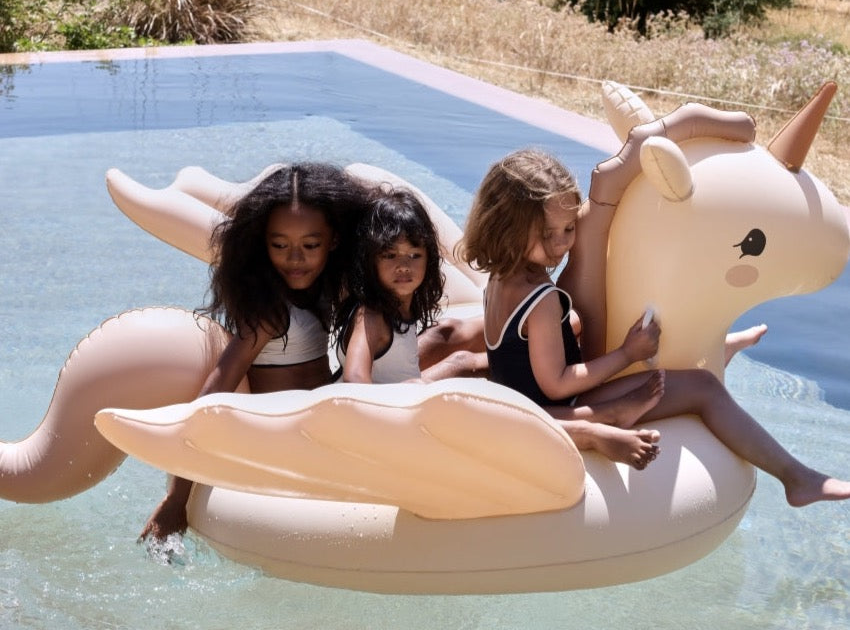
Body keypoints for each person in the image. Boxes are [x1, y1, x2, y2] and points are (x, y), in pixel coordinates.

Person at [460, 148, 850, 504]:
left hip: (528, 402)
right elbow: (557, 383)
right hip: (561, 408)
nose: (562, 244)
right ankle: (797, 478)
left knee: (581, 324)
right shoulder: (541, 299)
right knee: (703, 388)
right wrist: (627, 354)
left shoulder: (500, 280)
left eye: (568, 229)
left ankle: (719, 347)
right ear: (508, 228)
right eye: (548, 234)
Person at [140, 161, 372, 542]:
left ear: (334, 240)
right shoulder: (269, 311)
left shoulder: (327, 290)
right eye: (279, 246)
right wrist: (177, 497)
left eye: (310, 246)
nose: (295, 259)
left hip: (319, 433)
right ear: (262, 244)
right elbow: (214, 392)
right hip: (285, 443)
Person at [337, 186, 488, 382]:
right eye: (390, 256)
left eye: (414, 255)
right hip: (386, 407)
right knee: (465, 364)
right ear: (370, 260)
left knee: (453, 337)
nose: (403, 266)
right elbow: (354, 380)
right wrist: (408, 390)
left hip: (398, 391)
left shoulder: (399, 306)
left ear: (429, 260)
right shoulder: (371, 317)